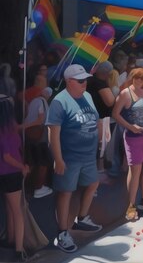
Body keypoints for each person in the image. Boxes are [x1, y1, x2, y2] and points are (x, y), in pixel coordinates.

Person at [47, 65, 103, 253]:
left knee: (93, 183)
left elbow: (95, 118)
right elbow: (53, 134)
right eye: (80, 81)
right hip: (70, 156)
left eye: (85, 79)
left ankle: (82, 219)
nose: (84, 83)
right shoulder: (59, 102)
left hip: (88, 155)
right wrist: (58, 159)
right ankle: (62, 233)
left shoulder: (87, 96)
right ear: (69, 81)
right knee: (65, 193)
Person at [112, 68, 143, 221]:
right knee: (135, 170)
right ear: (132, 78)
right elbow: (115, 114)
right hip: (133, 137)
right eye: (137, 78)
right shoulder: (125, 94)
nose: (140, 81)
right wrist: (130, 127)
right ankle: (131, 205)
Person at [0, 96, 29, 262]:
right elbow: (8, 157)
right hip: (11, 173)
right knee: (17, 211)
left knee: (9, 207)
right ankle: (19, 250)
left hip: (2, 175)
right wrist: (22, 167)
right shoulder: (9, 131)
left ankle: (10, 238)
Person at [24, 87, 54, 199]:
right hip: (40, 137)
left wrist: (24, 126)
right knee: (43, 163)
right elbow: (41, 120)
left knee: (31, 162)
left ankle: (23, 185)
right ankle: (39, 188)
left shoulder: (33, 101)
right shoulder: (42, 102)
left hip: (30, 136)